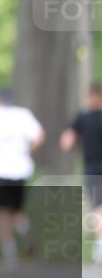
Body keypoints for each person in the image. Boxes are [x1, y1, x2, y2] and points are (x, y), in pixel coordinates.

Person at [0, 87, 45, 269]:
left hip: (2, 169)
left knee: (2, 212)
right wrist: (28, 151)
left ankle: (10, 254)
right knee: (16, 210)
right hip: (22, 168)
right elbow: (39, 136)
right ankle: (25, 231)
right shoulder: (23, 115)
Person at [60, 81, 102, 265]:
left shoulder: (83, 118)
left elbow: (66, 142)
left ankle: (99, 248)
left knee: (98, 208)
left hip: (92, 169)